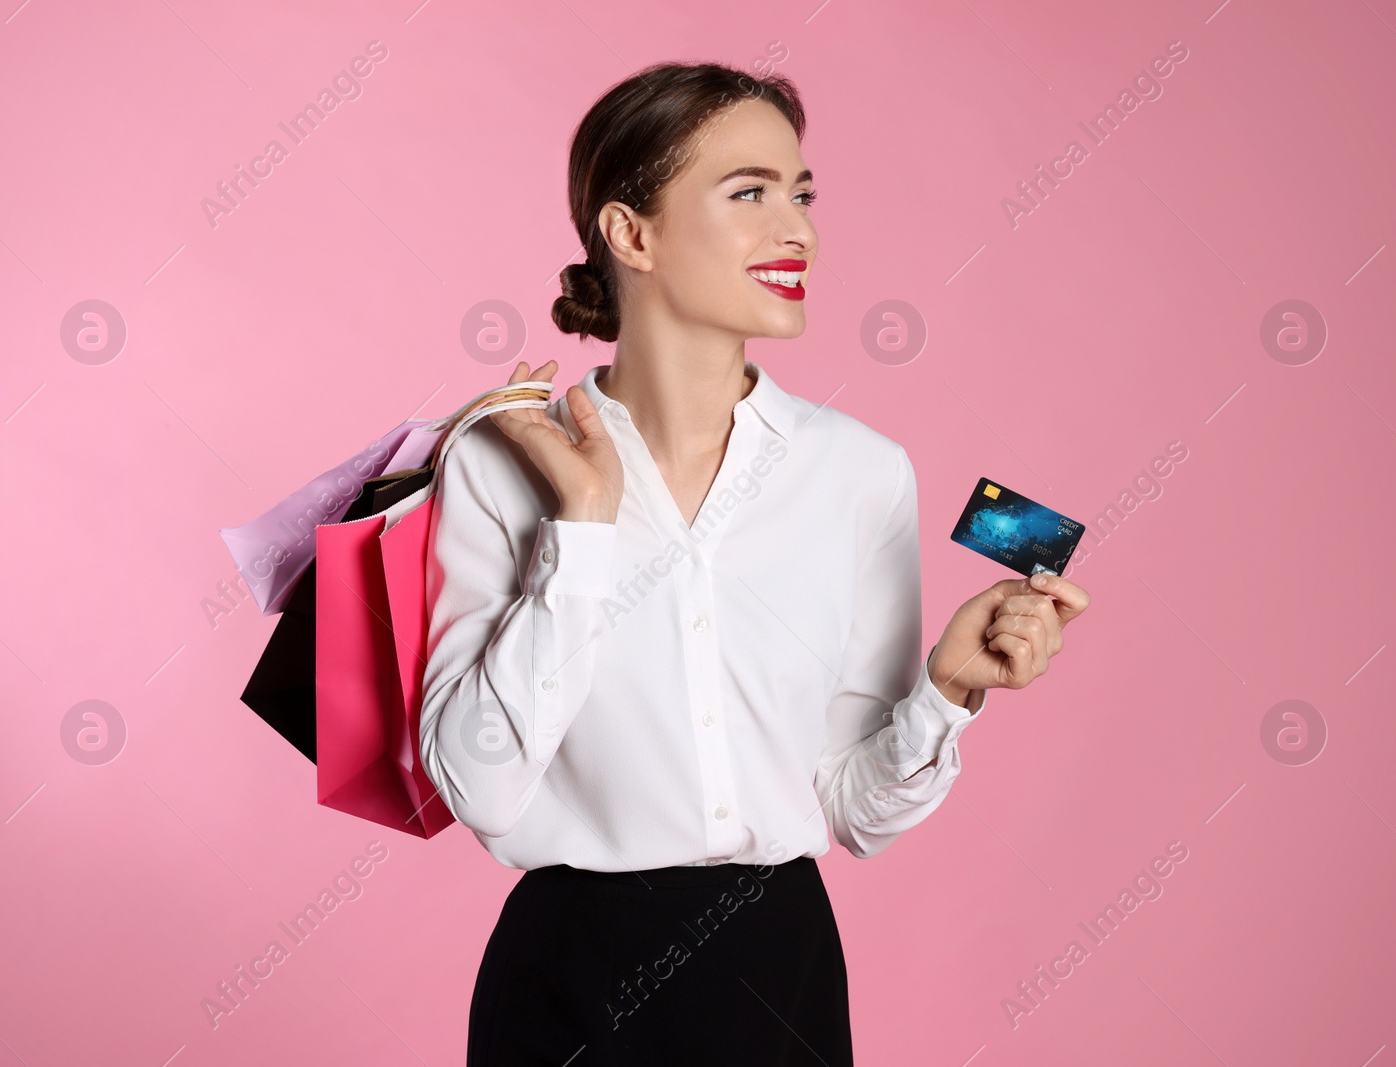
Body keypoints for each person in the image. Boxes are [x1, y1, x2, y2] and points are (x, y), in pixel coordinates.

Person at [419, 60, 1091, 1067]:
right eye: (749, 193)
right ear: (630, 233)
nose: (800, 231)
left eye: (802, 194)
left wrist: (949, 689)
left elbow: (853, 810)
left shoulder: (859, 473)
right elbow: (477, 785)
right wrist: (584, 531)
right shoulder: (496, 460)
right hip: (564, 978)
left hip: (779, 966)